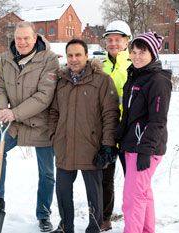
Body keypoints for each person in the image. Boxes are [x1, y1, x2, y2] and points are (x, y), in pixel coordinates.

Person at [0, 21, 59, 232]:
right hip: (15, 124)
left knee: (47, 171)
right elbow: (0, 88)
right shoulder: (6, 59)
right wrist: (1, 110)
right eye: (18, 38)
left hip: (42, 124)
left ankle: (44, 214)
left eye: (26, 38)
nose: (22, 42)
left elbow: (44, 96)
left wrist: (14, 112)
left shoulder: (49, 59)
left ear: (35, 37)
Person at [48, 39, 119, 233]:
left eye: (78, 54)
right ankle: (65, 226)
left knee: (94, 193)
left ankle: (94, 227)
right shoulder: (61, 81)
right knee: (62, 191)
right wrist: (55, 135)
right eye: (70, 55)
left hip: (91, 147)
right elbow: (54, 112)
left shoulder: (102, 80)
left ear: (87, 56)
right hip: (65, 146)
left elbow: (111, 114)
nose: (74, 59)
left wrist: (107, 145)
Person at [118, 32, 171, 233]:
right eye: (134, 51)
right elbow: (129, 114)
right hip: (132, 144)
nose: (137, 56)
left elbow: (158, 120)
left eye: (143, 52)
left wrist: (145, 151)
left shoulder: (158, 80)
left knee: (132, 198)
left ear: (153, 54)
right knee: (142, 193)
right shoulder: (135, 76)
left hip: (145, 147)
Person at [100, 20, 132, 231]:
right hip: (106, 131)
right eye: (109, 40)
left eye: (117, 40)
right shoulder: (99, 66)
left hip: (129, 131)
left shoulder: (134, 62)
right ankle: (104, 218)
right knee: (105, 177)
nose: (113, 43)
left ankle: (134, 219)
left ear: (126, 41)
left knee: (133, 181)